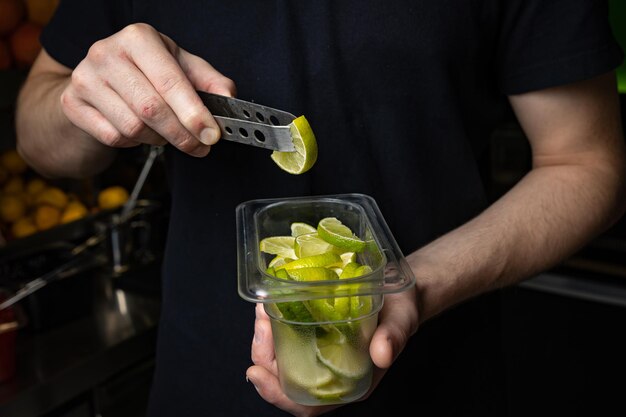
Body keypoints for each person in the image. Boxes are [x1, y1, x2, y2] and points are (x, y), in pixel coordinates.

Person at [14, 1, 626, 416]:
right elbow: (37, 134)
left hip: (439, 374)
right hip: (201, 377)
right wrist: (89, 100)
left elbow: (587, 164)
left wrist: (410, 285)